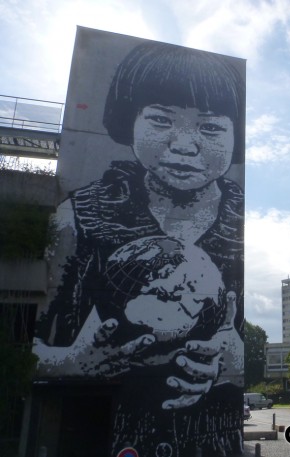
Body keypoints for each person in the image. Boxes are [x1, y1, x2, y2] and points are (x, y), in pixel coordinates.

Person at [33, 40, 245, 456]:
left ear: (236, 135)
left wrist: (234, 363)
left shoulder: (240, 221)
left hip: (212, 441)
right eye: (161, 120)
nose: (184, 145)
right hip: (96, 435)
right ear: (128, 119)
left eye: (210, 127)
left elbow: (236, 351)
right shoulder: (79, 217)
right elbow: (28, 343)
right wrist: (71, 363)